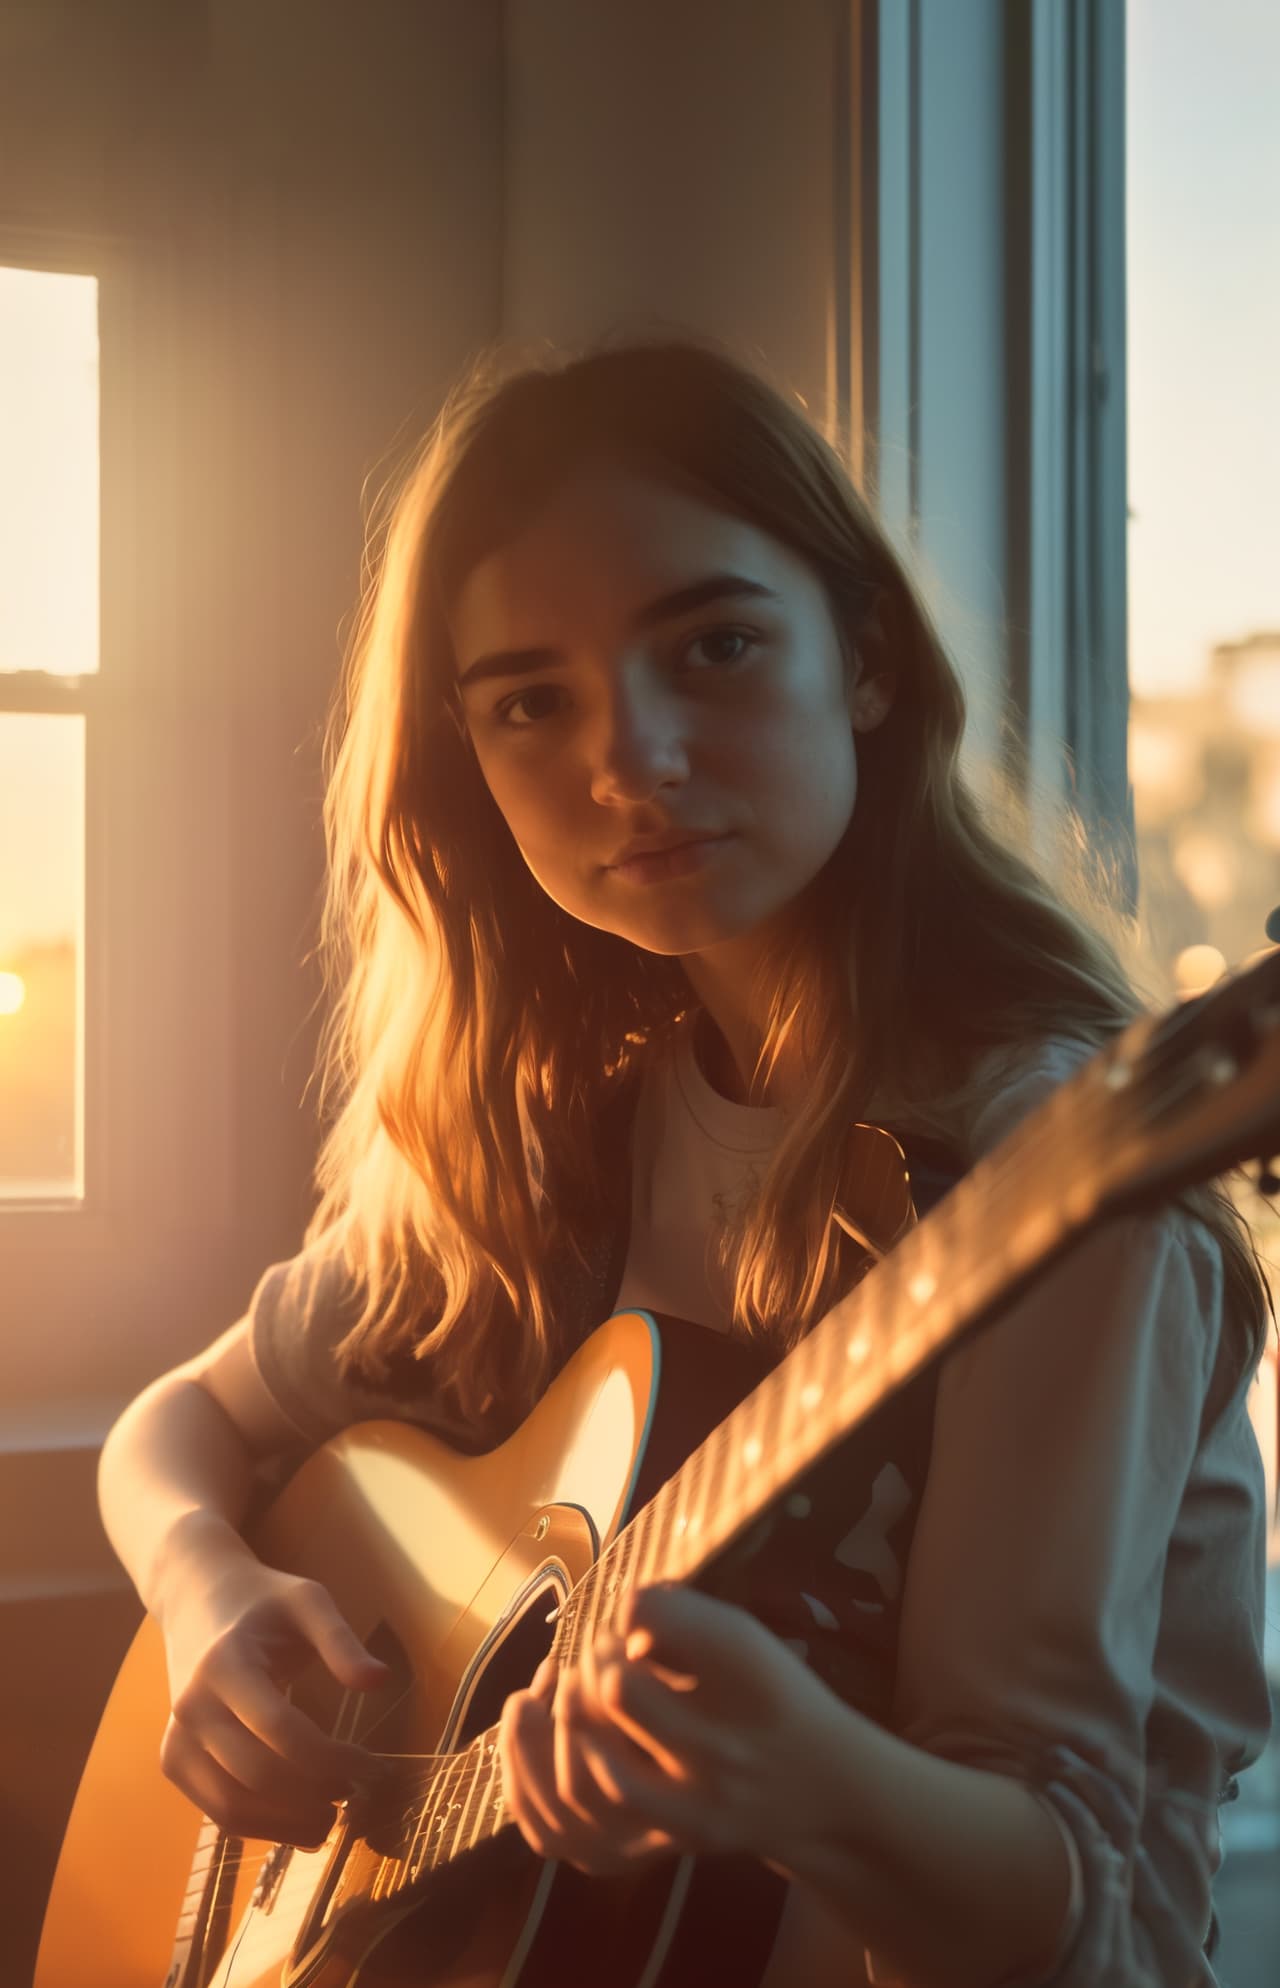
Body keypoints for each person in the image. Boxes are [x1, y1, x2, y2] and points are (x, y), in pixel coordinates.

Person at [98, 332, 1274, 1986]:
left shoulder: (1051, 1173)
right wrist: (210, 1596)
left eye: (714, 647)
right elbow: (185, 1426)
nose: (628, 762)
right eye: (531, 701)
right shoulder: (551, 1113)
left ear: (867, 658)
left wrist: (807, 1774)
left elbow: (1066, 1915)